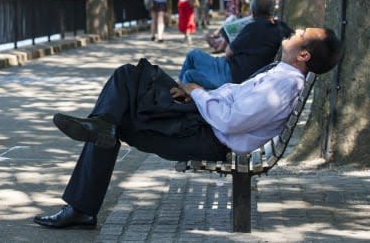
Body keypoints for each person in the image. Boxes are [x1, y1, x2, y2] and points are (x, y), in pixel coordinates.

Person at [32, 28, 342, 229]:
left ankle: (83, 203)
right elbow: (234, 104)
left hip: (202, 134)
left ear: (304, 54)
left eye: (303, 33)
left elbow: (232, 120)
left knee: (123, 96)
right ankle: (87, 183)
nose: (297, 30)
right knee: (130, 84)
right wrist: (195, 92)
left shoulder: (284, 82)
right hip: (199, 121)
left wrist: (196, 92)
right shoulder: (283, 75)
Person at [179, 0, 292, 89]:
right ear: (273, 11)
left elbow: (228, 52)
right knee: (189, 75)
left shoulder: (252, 28)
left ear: (253, 12)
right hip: (247, 75)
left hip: (232, 73)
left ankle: (174, 93)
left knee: (193, 55)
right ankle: (183, 102)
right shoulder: (281, 27)